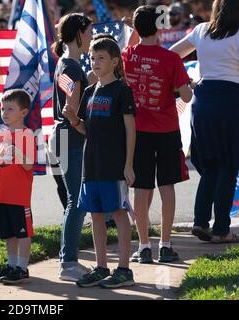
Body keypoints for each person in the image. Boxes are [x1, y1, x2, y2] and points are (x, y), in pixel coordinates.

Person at [122, 5, 193, 263]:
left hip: (137, 131)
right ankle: (165, 244)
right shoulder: (170, 59)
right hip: (166, 129)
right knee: (167, 186)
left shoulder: (126, 56)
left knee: (140, 188)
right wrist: (187, 86)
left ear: (136, 28)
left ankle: (143, 247)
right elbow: (186, 96)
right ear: (160, 27)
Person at [64, 38, 136, 288]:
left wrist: (128, 164)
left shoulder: (122, 90)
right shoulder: (89, 91)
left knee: (118, 212)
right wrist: (73, 119)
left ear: (115, 62)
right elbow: (86, 129)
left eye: (101, 58)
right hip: (91, 166)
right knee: (95, 215)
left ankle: (125, 269)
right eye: (92, 58)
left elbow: (130, 130)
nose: (95, 63)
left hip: (114, 164)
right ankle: (102, 266)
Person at [171, 0, 239, 243]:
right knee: (229, 165)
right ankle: (221, 229)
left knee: (209, 165)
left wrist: (188, 81)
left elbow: (171, 55)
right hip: (231, 100)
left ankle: (200, 221)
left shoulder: (201, 31)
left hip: (203, 99)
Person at [51, 13, 93, 282]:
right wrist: (84, 128)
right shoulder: (73, 69)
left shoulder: (65, 64)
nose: (91, 37)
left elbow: (68, 101)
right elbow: (70, 110)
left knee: (73, 201)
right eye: (89, 32)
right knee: (76, 203)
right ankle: (68, 264)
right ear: (78, 33)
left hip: (60, 137)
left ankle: (68, 260)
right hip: (71, 137)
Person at [0, 89, 37, 284]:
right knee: (8, 234)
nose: (4, 112)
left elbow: (29, 164)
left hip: (19, 196)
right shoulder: (2, 135)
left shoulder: (27, 134)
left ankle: (22, 268)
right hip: (2, 194)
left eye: (10, 109)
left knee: (23, 233)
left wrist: (16, 150)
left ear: (23, 112)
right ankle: (11, 265)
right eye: (3, 108)